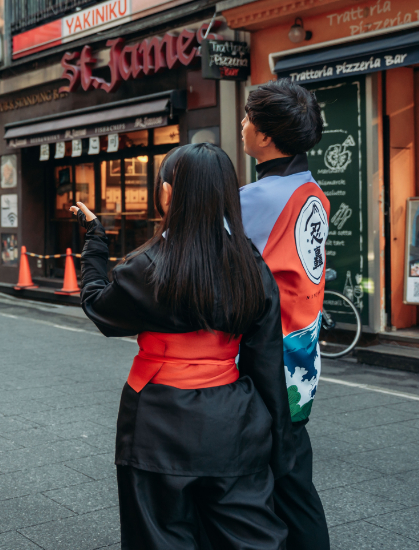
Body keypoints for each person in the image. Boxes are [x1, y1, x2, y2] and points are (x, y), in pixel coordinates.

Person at [72, 143, 295, 550]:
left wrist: (95, 240)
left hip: (157, 423)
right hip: (235, 421)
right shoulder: (252, 266)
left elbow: (99, 308)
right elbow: (266, 362)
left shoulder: (146, 267)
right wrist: (279, 442)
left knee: (161, 538)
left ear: (167, 193)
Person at [239, 80, 331, 550]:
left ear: (266, 135)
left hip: (265, 353)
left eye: (249, 118)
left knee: (282, 480)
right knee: (292, 467)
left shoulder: (255, 199)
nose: (242, 124)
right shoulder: (313, 191)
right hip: (303, 349)